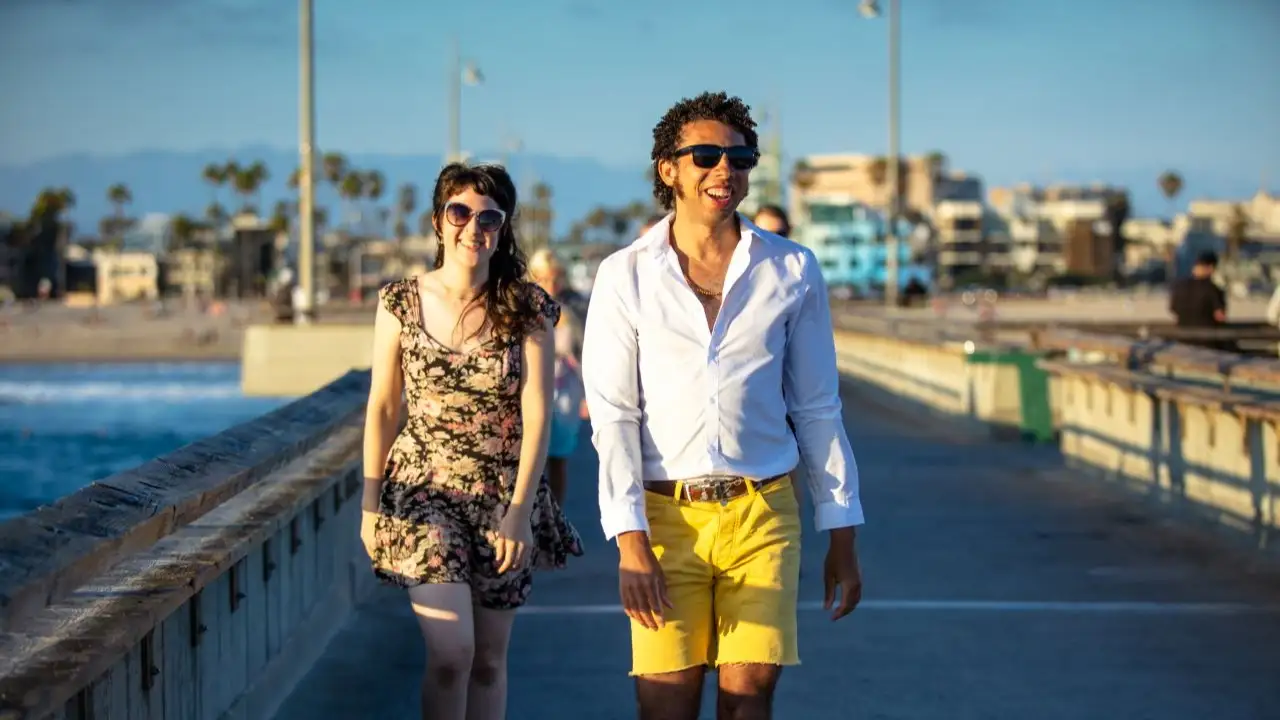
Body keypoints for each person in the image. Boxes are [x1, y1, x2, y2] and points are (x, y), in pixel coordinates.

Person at [581, 91, 865, 720]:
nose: (724, 170)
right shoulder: (624, 276)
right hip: (664, 520)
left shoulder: (791, 268)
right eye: (705, 155)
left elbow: (818, 407)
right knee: (665, 704)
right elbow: (613, 418)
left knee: (749, 697)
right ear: (669, 169)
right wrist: (630, 542)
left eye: (740, 157)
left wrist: (841, 532)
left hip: (763, 512)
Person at [361, 162, 583, 720]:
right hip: (422, 492)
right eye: (460, 212)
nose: (473, 227)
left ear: (502, 227)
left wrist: (519, 511)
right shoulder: (399, 302)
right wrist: (370, 505)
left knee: (488, 661)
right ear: (439, 221)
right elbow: (384, 406)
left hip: (501, 495)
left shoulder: (528, 308)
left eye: (489, 216)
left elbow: (537, 415)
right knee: (451, 653)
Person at [527, 247, 588, 503]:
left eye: (554, 277)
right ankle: (532, 515)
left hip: (565, 391)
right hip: (531, 388)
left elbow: (585, 351)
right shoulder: (522, 311)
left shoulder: (571, 312)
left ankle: (556, 518)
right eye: (542, 277)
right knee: (532, 457)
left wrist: (587, 395)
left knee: (558, 458)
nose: (549, 284)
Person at [1169, 250, 1230, 352]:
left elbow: (1173, 309)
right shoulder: (1213, 289)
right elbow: (1220, 316)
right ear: (1211, 268)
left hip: (1183, 340)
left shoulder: (1180, 287)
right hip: (1208, 343)